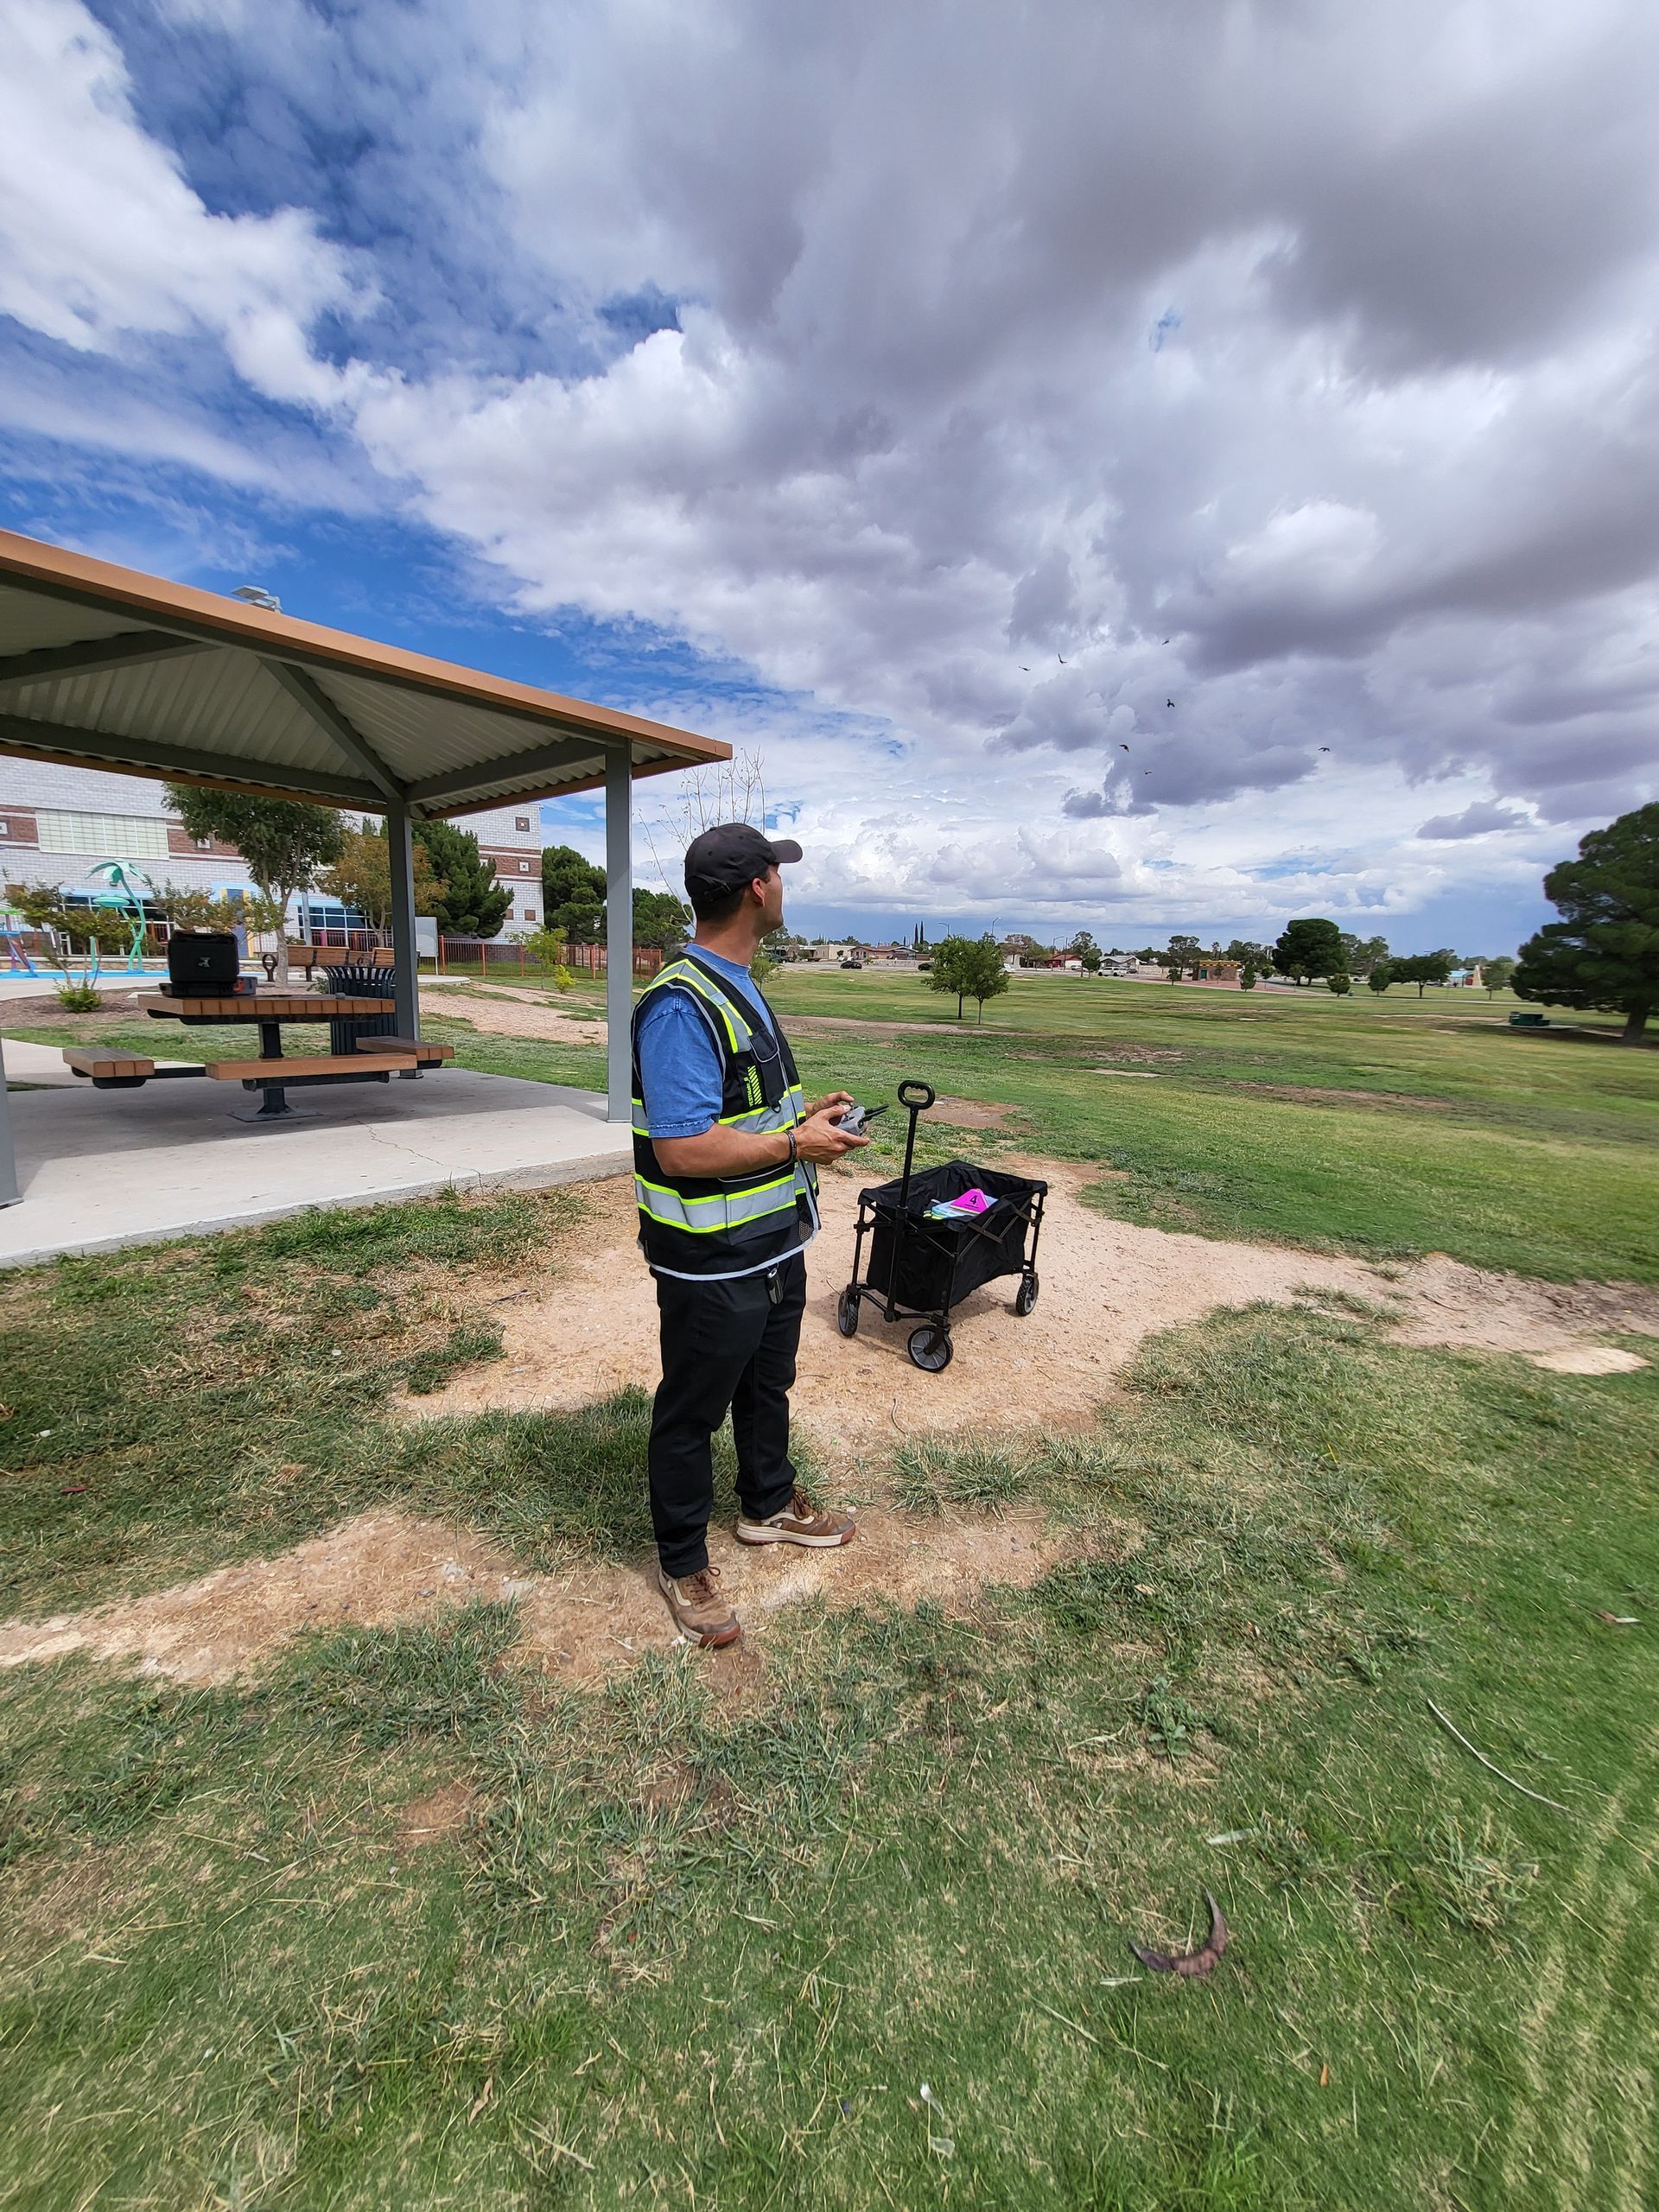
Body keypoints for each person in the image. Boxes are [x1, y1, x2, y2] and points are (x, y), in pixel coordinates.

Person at [632, 823, 870, 1646]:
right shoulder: (679, 1002)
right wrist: (794, 1145)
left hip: (772, 1242)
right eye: (779, 870)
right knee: (692, 1412)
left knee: (768, 1389)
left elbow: (743, 1114)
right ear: (756, 889)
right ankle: (682, 1559)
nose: (784, 881)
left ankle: (768, 1504)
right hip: (710, 1259)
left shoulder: (735, 980)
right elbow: (683, 1146)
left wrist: (805, 1123)